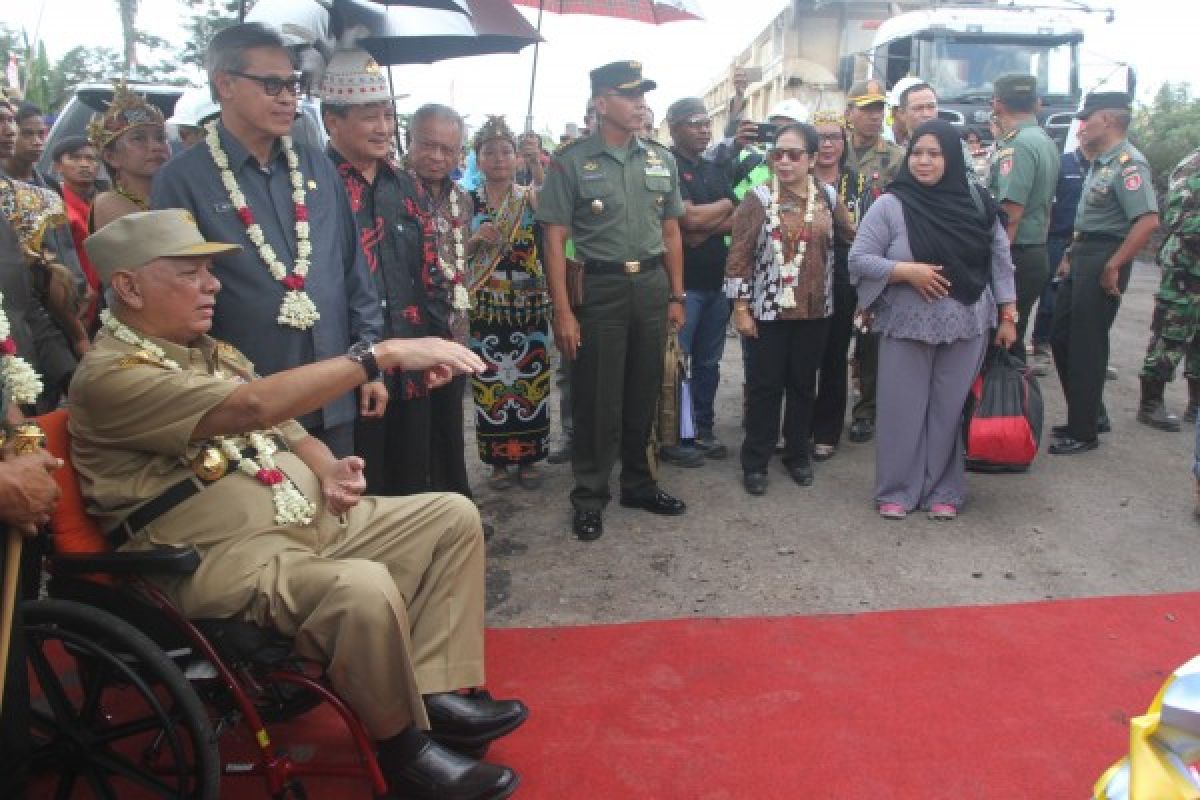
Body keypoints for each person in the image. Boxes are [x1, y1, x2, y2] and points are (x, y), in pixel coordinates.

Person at [75, 209, 525, 800]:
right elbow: (251, 410)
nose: (212, 285)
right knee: (358, 585)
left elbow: (286, 429)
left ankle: (434, 694)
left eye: (211, 271)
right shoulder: (111, 375)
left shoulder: (206, 351)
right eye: (191, 272)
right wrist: (377, 354)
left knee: (449, 516)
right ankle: (404, 752)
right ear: (128, 287)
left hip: (302, 520)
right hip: (216, 562)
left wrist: (329, 468)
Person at [152, 23, 383, 460]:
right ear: (225, 84)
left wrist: (368, 363)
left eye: (293, 85)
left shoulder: (317, 168)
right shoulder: (183, 180)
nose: (287, 97)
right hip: (246, 404)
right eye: (271, 84)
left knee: (342, 513)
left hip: (334, 389)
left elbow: (354, 275)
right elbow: (171, 298)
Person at [537, 60, 688, 541]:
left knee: (644, 391)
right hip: (599, 290)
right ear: (601, 104)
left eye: (642, 94)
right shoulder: (572, 162)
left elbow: (671, 231)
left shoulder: (661, 159)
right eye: (629, 95)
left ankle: (640, 484)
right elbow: (555, 239)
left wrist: (676, 294)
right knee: (597, 397)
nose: (640, 103)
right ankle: (589, 495)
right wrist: (563, 309)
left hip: (650, 287)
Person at [849, 119, 1017, 520]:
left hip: (967, 324)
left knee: (948, 410)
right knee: (901, 410)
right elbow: (858, 258)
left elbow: (1000, 261)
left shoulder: (977, 201)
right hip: (906, 325)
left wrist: (1009, 314)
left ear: (952, 158)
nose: (924, 161)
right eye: (918, 153)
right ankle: (897, 490)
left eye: (935, 153)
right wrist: (906, 272)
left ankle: (944, 489)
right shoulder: (891, 204)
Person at [727, 123, 853, 495]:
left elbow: (853, 239)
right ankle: (756, 461)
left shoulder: (828, 197)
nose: (784, 162)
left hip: (816, 311)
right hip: (767, 310)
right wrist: (741, 307)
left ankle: (797, 454)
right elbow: (738, 257)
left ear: (812, 159)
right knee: (765, 388)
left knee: (803, 386)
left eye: (794, 155)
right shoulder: (757, 198)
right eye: (777, 154)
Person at [1049, 92, 1160, 455]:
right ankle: (1090, 413)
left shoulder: (1130, 164)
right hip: (1083, 253)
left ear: (1108, 120)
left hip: (1104, 256)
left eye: (1088, 118)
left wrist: (1115, 263)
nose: (1082, 126)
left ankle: (1084, 431)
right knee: (1062, 336)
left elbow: (1147, 221)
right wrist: (1070, 253)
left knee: (1086, 344)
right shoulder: (1103, 162)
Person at [464, 115, 553, 490]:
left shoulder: (528, 196)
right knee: (490, 382)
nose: (499, 158)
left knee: (532, 379)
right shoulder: (465, 201)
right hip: (485, 305)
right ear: (478, 158)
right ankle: (498, 462)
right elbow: (447, 253)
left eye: (506, 151)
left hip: (529, 306)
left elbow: (554, 212)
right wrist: (474, 241)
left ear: (516, 157)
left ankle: (529, 457)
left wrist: (536, 165)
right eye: (490, 152)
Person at [664, 96, 737, 465]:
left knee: (709, 364)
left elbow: (732, 218)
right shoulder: (668, 167)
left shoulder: (714, 168)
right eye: (694, 122)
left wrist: (711, 216)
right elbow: (685, 224)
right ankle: (679, 435)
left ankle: (704, 429)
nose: (703, 129)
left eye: (706, 122)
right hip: (683, 286)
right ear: (673, 126)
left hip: (717, 282)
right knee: (678, 361)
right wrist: (718, 210)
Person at [845, 79, 906, 446]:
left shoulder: (895, 158)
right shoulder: (833, 149)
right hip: (837, 256)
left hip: (875, 260)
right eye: (866, 108)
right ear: (849, 112)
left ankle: (866, 411)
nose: (873, 116)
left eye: (878, 109)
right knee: (832, 336)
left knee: (870, 339)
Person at [988, 74, 1060, 361]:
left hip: (1014, 250)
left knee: (1001, 341)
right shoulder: (1043, 140)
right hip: (1033, 250)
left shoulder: (1017, 145)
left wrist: (998, 265)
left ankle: (1006, 404)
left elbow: (1010, 214)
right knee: (1012, 336)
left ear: (997, 104)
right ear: (1038, 104)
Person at [809, 110, 863, 461]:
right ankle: (795, 426)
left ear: (845, 143)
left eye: (835, 137)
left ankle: (826, 430)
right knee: (799, 355)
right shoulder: (794, 174)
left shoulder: (859, 183)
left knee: (833, 354)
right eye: (821, 137)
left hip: (843, 273)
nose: (828, 144)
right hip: (799, 273)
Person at [1138, 147, 1200, 431]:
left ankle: (1196, 406)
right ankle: (1151, 404)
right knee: (1170, 336)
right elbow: (1180, 220)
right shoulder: (1193, 166)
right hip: (1186, 272)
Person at [1, 102, 86, 291]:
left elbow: (65, 244)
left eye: (41, 134)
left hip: (61, 290)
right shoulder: (4, 189)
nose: (37, 141)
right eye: (27, 134)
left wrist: (79, 284)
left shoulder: (50, 186)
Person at [1033, 144, 1090, 367]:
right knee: (1051, 296)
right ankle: (1042, 345)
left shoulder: (1106, 165)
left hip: (1087, 241)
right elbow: (1046, 202)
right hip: (1058, 237)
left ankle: (1079, 350)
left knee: (1085, 298)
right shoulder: (1062, 163)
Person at [89, 84, 171, 232]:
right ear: (111, 157)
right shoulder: (108, 203)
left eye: (160, 138)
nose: (156, 146)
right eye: (138, 139)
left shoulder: (178, 195)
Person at [51, 136, 103, 327]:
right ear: (58, 166)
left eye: (91, 159)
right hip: (77, 300)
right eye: (74, 158)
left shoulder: (104, 201)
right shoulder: (55, 206)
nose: (84, 164)